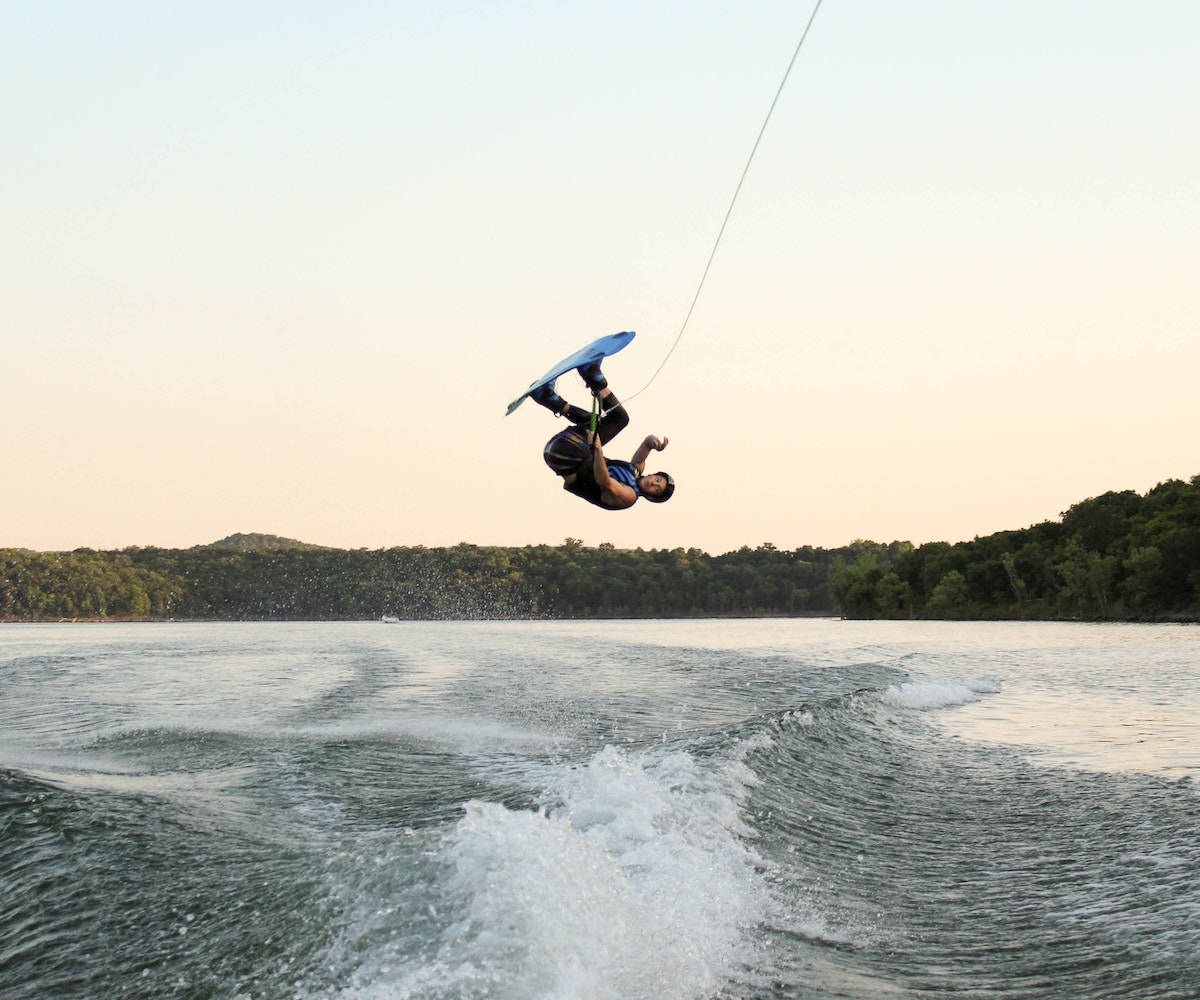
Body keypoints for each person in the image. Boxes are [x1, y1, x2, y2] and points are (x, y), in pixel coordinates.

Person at [531, 361, 674, 510]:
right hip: (566, 449)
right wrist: (655, 444)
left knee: (619, 419)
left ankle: (593, 377)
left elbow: (604, 480)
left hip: (569, 456)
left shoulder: (629, 497)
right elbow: (647, 443)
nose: (653, 483)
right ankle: (547, 397)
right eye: (657, 479)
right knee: (597, 422)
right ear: (653, 474)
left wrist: (598, 449)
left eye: (656, 489)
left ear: (650, 497)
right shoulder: (635, 471)